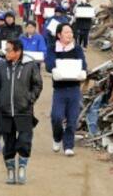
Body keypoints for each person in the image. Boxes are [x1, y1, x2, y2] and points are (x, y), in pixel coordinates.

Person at [0, 39, 43, 184]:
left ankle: (22, 167)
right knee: (8, 143)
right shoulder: (2, 65)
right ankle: (10, 171)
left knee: (24, 141)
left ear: (18, 51)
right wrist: (0, 99)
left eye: (9, 50)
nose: (6, 52)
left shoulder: (30, 65)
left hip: (24, 111)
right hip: (5, 111)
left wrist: (30, 99)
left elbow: (38, 84)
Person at [45, 23, 87, 157]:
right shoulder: (53, 48)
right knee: (57, 117)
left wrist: (83, 72)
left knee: (72, 119)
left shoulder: (77, 49)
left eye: (71, 32)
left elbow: (83, 64)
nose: (70, 35)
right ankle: (57, 138)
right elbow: (49, 63)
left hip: (74, 88)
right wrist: (54, 70)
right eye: (66, 32)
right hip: (60, 89)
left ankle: (68, 146)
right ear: (59, 35)